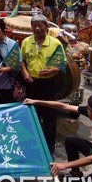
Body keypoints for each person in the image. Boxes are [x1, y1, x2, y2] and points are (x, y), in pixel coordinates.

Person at [20, 14, 66, 155]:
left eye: (41, 25)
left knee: (50, 117)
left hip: (49, 84)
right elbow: (22, 61)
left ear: (47, 27)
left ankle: (49, 149)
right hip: (32, 83)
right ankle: (33, 146)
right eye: (34, 26)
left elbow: (62, 63)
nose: (37, 28)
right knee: (33, 115)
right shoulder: (27, 41)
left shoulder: (55, 43)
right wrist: (25, 73)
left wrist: (53, 69)